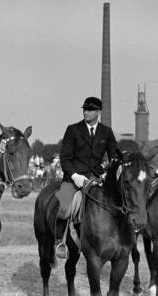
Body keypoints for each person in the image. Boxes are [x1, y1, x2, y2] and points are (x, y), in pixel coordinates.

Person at [54, 96, 117, 259]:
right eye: (84, 109)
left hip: (97, 178)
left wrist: (106, 172)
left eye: (89, 110)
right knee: (64, 208)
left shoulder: (107, 132)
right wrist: (75, 176)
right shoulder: (72, 129)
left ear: (98, 112)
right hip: (73, 178)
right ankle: (59, 241)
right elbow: (65, 158)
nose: (86, 112)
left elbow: (114, 158)